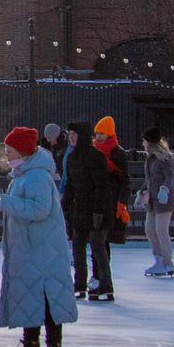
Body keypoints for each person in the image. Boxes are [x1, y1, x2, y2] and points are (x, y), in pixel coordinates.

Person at [0, 126, 77, 347]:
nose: (6, 155)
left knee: (46, 298)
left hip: (43, 250)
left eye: (10, 151)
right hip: (30, 249)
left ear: (24, 152)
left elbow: (40, 209)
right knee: (30, 296)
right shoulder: (23, 174)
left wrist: (6, 202)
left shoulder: (37, 176)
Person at [62, 120, 112, 301]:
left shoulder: (95, 156)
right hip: (79, 210)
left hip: (95, 210)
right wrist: (64, 206)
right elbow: (70, 185)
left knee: (98, 247)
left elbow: (102, 186)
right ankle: (80, 284)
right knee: (78, 248)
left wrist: (99, 211)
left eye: (75, 135)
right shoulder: (71, 157)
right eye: (70, 135)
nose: (71, 138)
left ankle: (105, 284)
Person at [88, 116, 129, 300]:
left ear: (110, 133)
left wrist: (121, 202)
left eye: (102, 134)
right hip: (96, 202)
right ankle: (99, 279)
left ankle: (102, 280)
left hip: (109, 203)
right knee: (98, 242)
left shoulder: (118, 153)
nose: (98, 137)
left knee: (99, 242)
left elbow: (124, 180)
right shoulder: (93, 151)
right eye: (97, 133)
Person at [139, 127, 174, 278]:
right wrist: (141, 191)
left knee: (161, 230)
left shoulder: (165, 157)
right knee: (149, 229)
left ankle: (168, 263)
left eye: (144, 140)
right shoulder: (149, 158)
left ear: (149, 142)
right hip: (153, 200)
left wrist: (164, 189)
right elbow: (149, 179)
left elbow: (170, 177)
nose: (142, 143)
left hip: (164, 200)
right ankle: (158, 259)